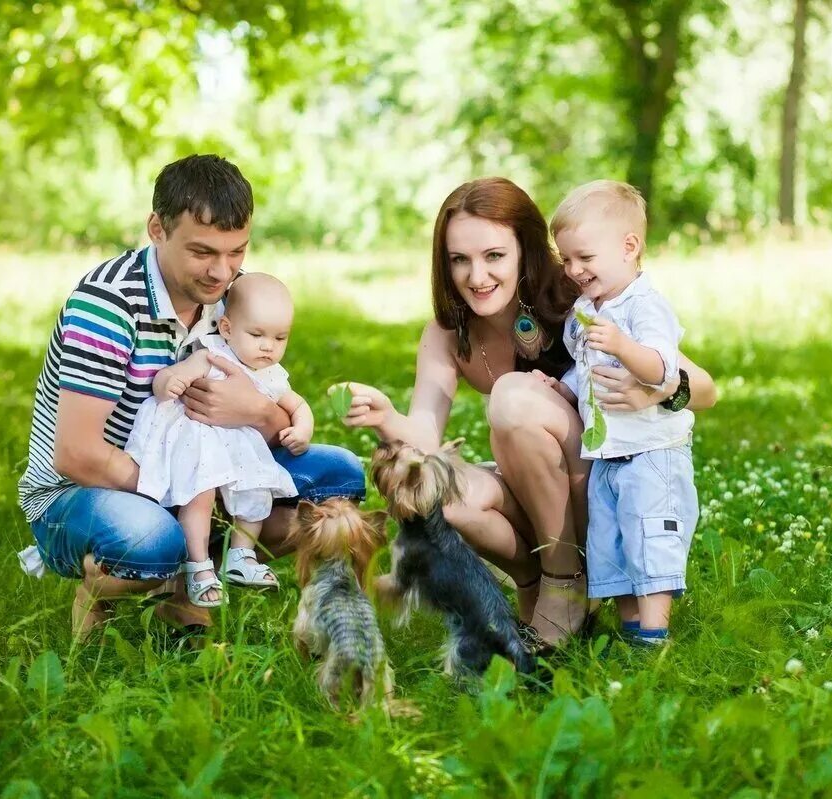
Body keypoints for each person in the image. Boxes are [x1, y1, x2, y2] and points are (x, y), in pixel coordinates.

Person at [340, 177, 716, 650]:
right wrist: (386, 417)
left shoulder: (578, 295)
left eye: (494, 256)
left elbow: (704, 388)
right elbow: (425, 435)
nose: (477, 276)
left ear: (524, 248)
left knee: (512, 396)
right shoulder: (446, 333)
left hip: (602, 490)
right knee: (439, 493)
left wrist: (650, 393)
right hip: (541, 488)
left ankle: (567, 583)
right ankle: (537, 585)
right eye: (460, 260)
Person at [15, 154, 365, 638]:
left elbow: (265, 419)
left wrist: (258, 410)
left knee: (339, 480)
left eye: (237, 252)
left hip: (202, 467)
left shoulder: (232, 297)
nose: (222, 272)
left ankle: (181, 601)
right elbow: (77, 455)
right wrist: (181, 490)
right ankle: (112, 584)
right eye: (203, 252)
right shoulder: (108, 305)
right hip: (83, 491)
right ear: (157, 229)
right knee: (152, 540)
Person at [547, 180, 699, 646]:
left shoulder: (643, 305)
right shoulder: (586, 309)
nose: (573, 269)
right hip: (609, 455)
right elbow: (588, 370)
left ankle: (654, 638)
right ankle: (632, 630)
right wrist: (563, 387)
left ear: (629, 246)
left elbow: (662, 366)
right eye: (566, 258)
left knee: (651, 541)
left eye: (584, 258)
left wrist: (623, 345)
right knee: (613, 546)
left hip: (653, 453)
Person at [124, 273, 312, 606]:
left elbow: (298, 405)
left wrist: (302, 429)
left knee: (257, 492)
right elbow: (171, 375)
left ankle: (241, 555)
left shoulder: (272, 374)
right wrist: (168, 382)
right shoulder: (212, 354)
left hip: (240, 450)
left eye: (280, 338)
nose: (268, 347)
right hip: (199, 445)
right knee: (200, 495)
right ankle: (198, 564)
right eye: (257, 335)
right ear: (226, 329)